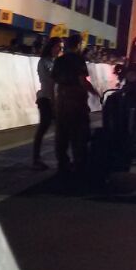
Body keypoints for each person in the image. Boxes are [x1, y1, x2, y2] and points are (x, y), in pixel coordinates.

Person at [51, 34, 98, 175]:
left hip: (62, 100)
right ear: (78, 45)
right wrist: (95, 93)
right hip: (76, 100)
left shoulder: (59, 60)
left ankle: (62, 164)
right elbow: (82, 80)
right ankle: (79, 164)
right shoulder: (78, 59)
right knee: (79, 134)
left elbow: (54, 81)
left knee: (62, 134)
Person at [30, 37, 62, 170]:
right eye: (58, 47)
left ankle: (60, 158)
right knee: (44, 127)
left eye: (61, 47)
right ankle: (36, 159)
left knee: (59, 128)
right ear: (51, 47)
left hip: (55, 99)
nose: (60, 50)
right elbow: (49, 82)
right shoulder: (44, 62)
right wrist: (53, 101)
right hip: (46, 99)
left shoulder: (55, 62)